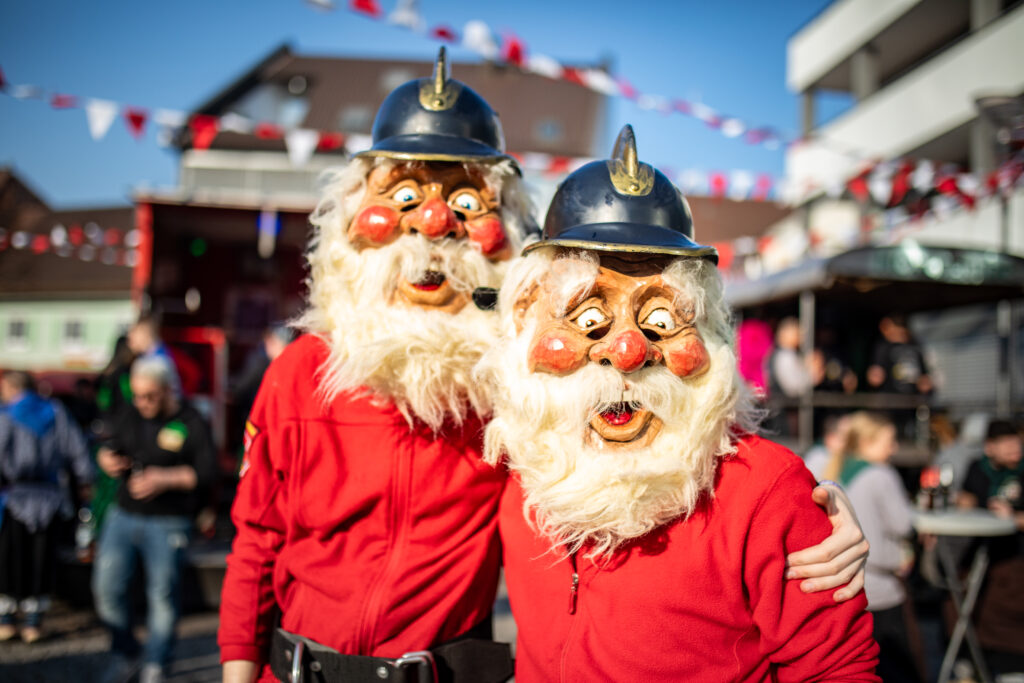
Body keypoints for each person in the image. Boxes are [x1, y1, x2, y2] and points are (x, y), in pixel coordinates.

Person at [218, 58, 868, 682]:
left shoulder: (513, 407)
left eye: (466, 206)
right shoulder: (312, 376)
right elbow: (256, 538)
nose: (434, 225)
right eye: (408, 196)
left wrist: (815, 513)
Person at [477, 126, 878, 680]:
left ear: (708, 331)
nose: (626, 352)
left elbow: (837, 669)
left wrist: (818, 501)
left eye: (660, 322)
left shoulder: (764, 488)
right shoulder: (519, 465)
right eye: (590, 320)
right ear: (528, 317)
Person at [92, 356, 218, 683]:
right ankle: (126, 653)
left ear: (167, 390)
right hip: (124, 513)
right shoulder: (130, 412)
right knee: (106, 588)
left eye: (150, 396)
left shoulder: (191, 421)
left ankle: (156, 664)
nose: (142, 403)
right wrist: (105, 458)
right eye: (137, 395)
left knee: (162, 595)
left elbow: (208, 473)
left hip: (169, 520)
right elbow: (109, 445)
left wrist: (165, 478)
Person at [817, 412, 920, 682]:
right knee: (896, 667)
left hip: (844, 582)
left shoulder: (835, 468)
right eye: (889, 441)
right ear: (868, 442)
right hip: (882, 585)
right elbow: (902, 524)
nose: (894, 448)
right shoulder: (881, 475)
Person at [0, 370, 93, 643]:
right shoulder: (56, 412)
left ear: (13, 387)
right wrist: (86, 480)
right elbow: (77, 450)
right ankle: (33, 620)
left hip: (15, 497)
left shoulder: (7, 415)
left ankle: (6, 617)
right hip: (50, 499)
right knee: (41, 558)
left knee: (10, 557)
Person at [957, 419, 1024, 669]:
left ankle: (1009, 667)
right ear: (990, 447)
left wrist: (1014, 518)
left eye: (1017, 445)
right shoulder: (978, 467)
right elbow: (966, 498)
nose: (1015, 451)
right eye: (1007, 446)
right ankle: (970, 660)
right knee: (959, 594)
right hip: (980, 550)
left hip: (1015, 554)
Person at [866, 314, 932, 395]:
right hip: (891, 400)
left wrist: (925, 383)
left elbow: (924, 377)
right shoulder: (882, 347)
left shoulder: (915, 346)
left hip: (913, 400)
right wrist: (874, 376)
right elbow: (875, 377)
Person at [126, 315, 183, 399]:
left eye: (133, 331)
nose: (130, 336)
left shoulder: (160, 361)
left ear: (144, 331)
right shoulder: (149, 357)